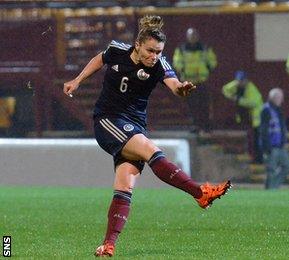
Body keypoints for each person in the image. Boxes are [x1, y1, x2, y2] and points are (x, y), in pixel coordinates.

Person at [62, 15, 231, 257]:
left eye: (159, 52)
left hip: (134, 126)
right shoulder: (117, 50)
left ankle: (108, 244)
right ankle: (199, 192)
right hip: (108, 121)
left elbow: (173, 83)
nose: (155, 56)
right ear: (138, 45)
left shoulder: (160, 65)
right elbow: (99, 59)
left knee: (124, 186)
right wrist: (77, 80)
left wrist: (181, 89)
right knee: (152, 152)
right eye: (150, 51)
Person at [173, 27, 218, 131]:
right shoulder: (181, 49)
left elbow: (212, 61)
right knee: (192, 106)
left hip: (202, 81)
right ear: (187, 37)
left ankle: (206, 126)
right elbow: (177, 62)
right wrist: (182, 69)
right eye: (191, 36)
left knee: (204, 105)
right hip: (188, 82)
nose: (193, 38)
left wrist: (208, 69)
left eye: (194, 35)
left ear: (198, 36)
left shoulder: (205, 48)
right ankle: (195, 126)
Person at [222, 70, 264, 163]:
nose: (241, 83)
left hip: (255, 119)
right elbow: (225, 89)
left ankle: (258, 158)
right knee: (250, 139)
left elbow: (253, 103)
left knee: (255, 140)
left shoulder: (251, 89)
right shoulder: (236, 85)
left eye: (242, 81)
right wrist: (233, 93)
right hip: (247, 118)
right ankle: (252, 157)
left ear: (246, 80)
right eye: (239, 81)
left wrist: (238, 100)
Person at [259, 88, 289, 189]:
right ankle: (270, 190)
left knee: (287, 166)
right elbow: (263, 130)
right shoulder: (266, 109)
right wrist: (266, 146)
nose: (281, 100)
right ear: (272, 98)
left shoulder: (278, 110)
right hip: (271, 146)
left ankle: (273, 186)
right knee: (271, 170)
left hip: (280, 146)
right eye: (278, 98)